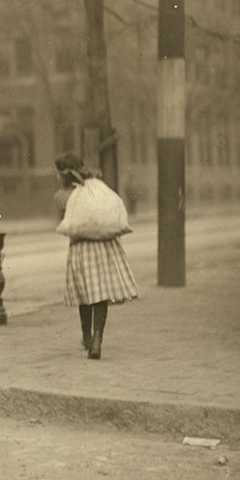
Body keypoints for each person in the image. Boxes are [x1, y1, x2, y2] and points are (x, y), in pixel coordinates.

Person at [54, 152, 138, 359]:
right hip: (104, 248)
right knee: (100, 295)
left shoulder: (62, 196)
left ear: (63, 174)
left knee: (84, 294)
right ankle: (98, 338)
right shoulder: (98, 188)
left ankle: (87, 336)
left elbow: (65, 222)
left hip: (80, 249)